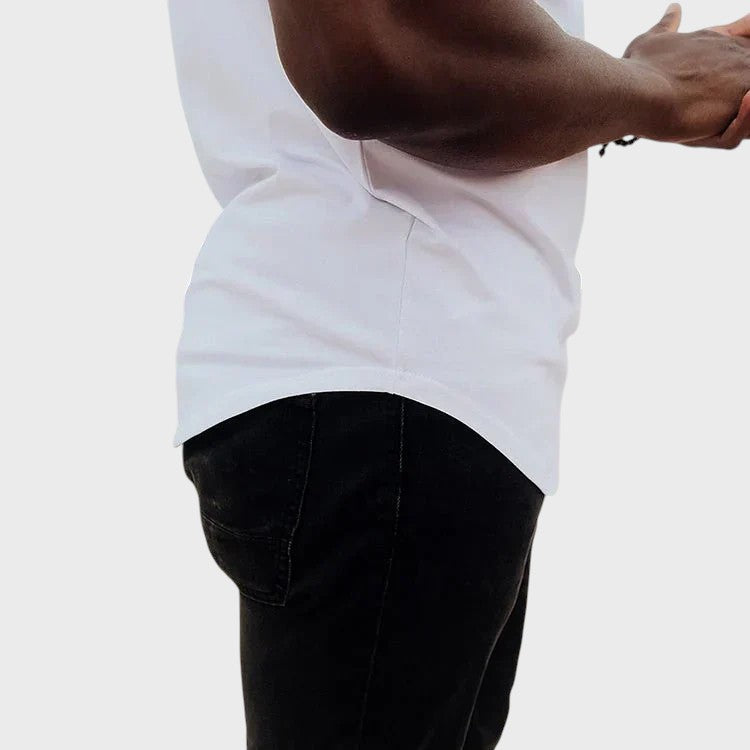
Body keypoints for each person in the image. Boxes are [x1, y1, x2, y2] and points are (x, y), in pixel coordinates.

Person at [169, 2, 750, 747]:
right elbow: (373, 56)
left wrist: (627, 82)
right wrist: (656, 90)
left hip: (406, 385)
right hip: (386, 378)